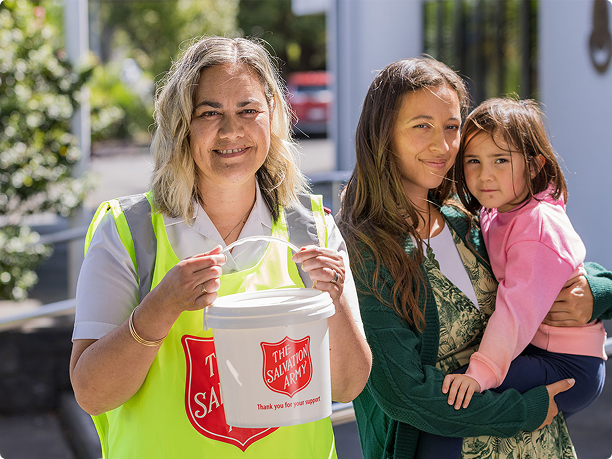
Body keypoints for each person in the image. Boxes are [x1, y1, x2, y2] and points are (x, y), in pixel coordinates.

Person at [69, 36, 371, 459]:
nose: (232, 131)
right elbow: (91, 393)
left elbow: (348, 385)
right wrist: (161, 307)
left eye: (248, 110)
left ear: (272, 116)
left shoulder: (313, 229)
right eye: (210, 113)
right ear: (181, 125)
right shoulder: (127, 232)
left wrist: (333, 299)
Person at [337, 57, 612, 459]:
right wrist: (525, 410)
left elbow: (550, 261)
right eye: (422, 126)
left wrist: (596, 293)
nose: (443, 145)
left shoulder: (463, 216)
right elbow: (404, 393)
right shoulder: (364, 248)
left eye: (452, 127)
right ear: (383, 134)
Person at [444, 98, 606, 415]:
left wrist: (480, 372)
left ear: (533, 166)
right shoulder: (499, 210)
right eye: (473, 160)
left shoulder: (537, 225)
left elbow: (516, 311)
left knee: (454, 398)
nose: (485, 175)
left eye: (500, 160)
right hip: (542, 349)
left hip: (569, 364)